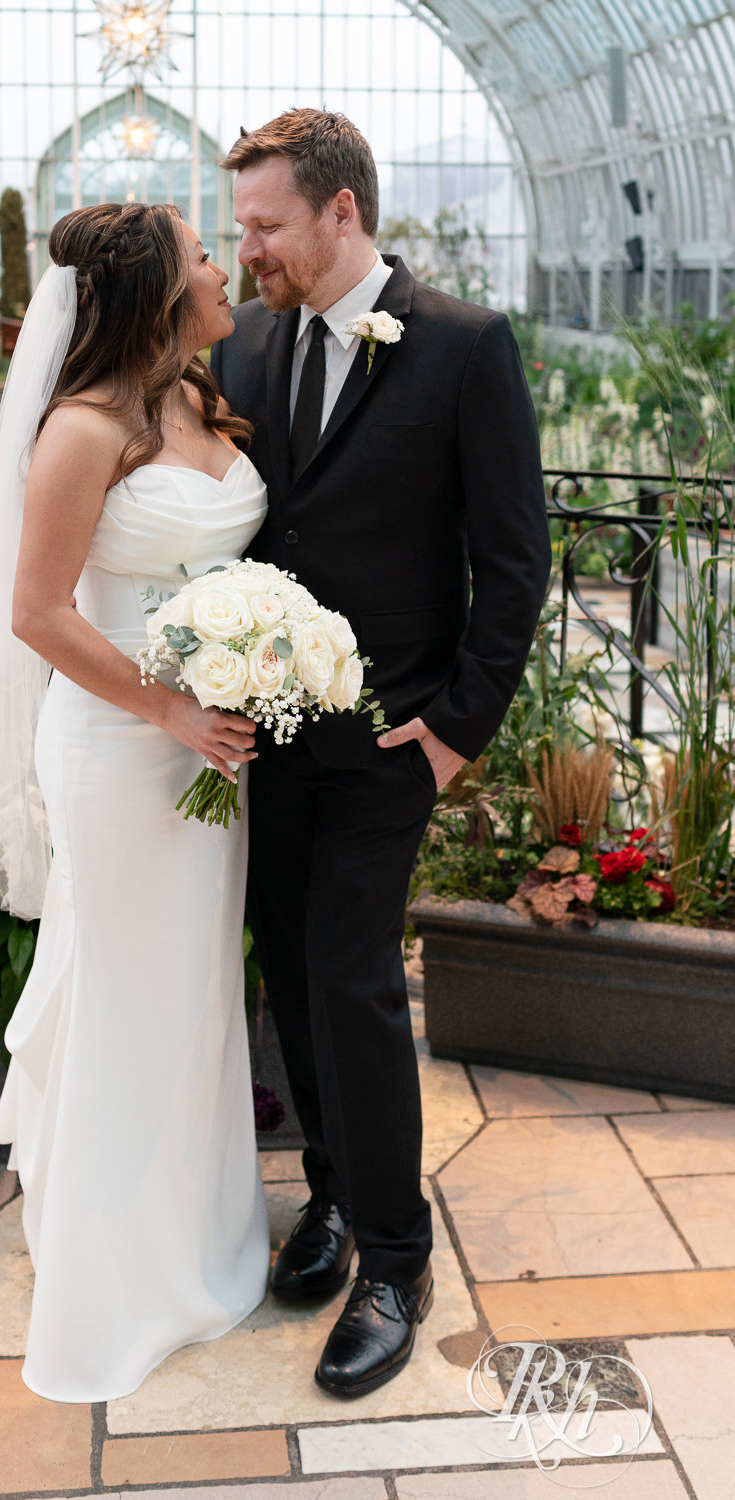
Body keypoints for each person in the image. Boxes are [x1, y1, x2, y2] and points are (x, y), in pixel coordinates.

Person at [211, 109, 551, 1398]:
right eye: (241, 225)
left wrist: (457, 732)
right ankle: (336, 1197)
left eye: (266, 225)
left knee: (352, 976)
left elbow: (513, 560)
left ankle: (398, 1262)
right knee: (293, 973)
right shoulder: (240, 341)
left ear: (341, 211)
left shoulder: (464, 344)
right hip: (264, 741)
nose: (247, 250)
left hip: (392, 740)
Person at [0, 201, 270, 1402]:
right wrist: (171, 708)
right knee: (130, 997)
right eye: (203, 256)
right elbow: (38, 612)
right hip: (124, 753)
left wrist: (258, 663)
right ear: (154, 294)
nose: (226, 267)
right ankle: (113, 1287)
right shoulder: (81, 428)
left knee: (194, 995)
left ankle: (197, 1241)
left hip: (205, 750)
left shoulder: (195, 398)